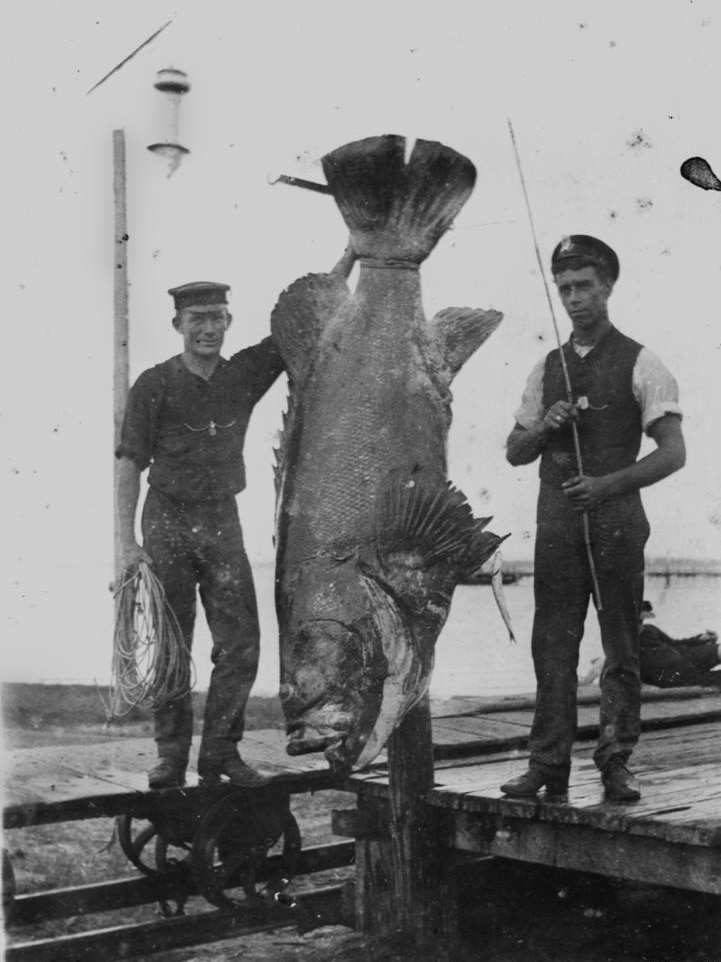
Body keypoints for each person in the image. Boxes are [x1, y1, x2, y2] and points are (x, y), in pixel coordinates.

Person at [499, 235, 686, 802]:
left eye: (584, 286)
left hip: (617, 523)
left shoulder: (641, 361)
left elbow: (673, 453)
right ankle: (547, 765)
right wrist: (544, 428)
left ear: (607, 287)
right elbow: (514, 450)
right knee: (552, 644)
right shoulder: (546, 366)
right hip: (555, 524)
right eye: (565, 289)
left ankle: (615, 762)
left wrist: (607, 485)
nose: (575, 298)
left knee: (620, 644)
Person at [115, 280, 284, 790]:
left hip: (221, 520)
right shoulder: (154, 383)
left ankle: (221, 755)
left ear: (229, 321)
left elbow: (295, 326)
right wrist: (126, 544)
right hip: (165, 519)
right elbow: (129, 463)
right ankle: (170, 756)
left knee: (241, 643)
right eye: (197, 320)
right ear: (178, 326)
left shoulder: (242, 376)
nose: (208, 328)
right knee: (171, 643)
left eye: (217, 317)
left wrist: (348, 258)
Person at [582, 601, 721, 689]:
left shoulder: (649, 629)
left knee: (718, 650)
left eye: (641, 621)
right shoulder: (623, 646)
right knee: (714, 678)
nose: (640, 625)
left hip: (686, 656)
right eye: (636, 622)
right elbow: (609, 669)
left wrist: (700, 639)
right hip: (673, 676)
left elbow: (675, 643)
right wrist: (589, 678)